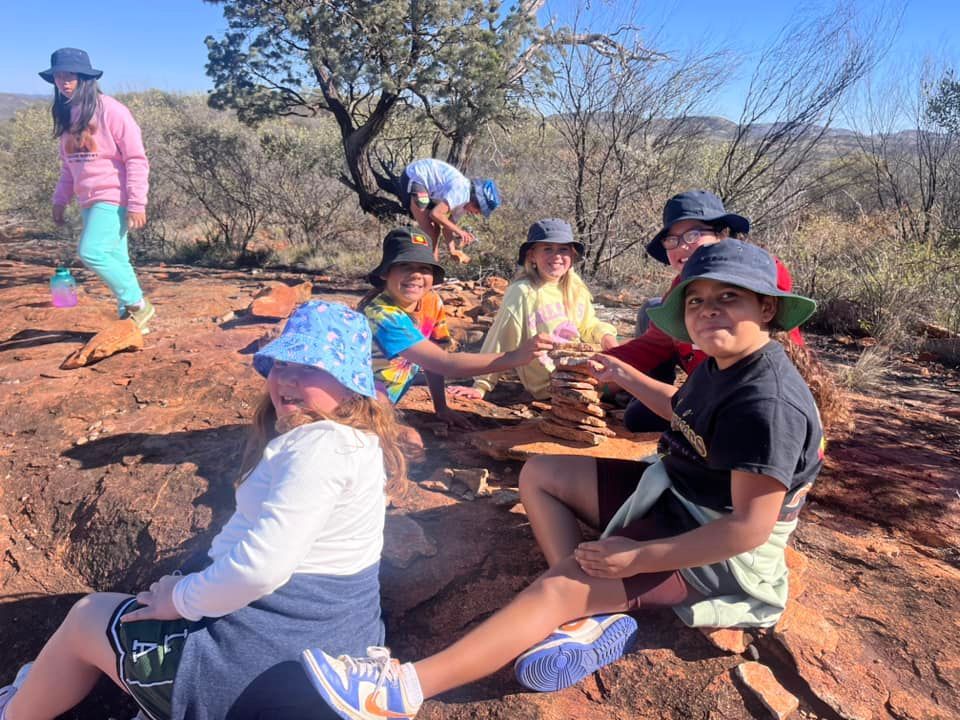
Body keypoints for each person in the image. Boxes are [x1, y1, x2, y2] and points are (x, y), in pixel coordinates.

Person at [298, 239, 832, 720]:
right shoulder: (724, 363)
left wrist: (637, 559)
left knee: (560, 584)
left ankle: (397, 693)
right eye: (696, 300)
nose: (709, 309)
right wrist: (624, 374)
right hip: (678, 494)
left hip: (719, 552)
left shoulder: (767, 405)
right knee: (542, 473)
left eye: (729, 297)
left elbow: (747, 530)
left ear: (767, 307)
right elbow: (687, 411)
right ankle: (585, 612)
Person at [0, 301, 406, 720]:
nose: (287, 376)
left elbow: (260, 570)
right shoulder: (358, 443)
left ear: (350, 381)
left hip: (264, 662)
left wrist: (180, 600)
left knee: (88, 617)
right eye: (282, 362)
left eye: (310, 365)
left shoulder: (317, 445)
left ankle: (15, 711)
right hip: (333, 648)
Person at [607, 190, 803, 432]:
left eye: (694, 234)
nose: (683, 246)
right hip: (705, 381)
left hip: (749, 386)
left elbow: (790, 347)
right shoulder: (680, 286)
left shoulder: (762, 273)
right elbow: (655, 343)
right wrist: (602, 364)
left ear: (722, 235)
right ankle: (651, 389)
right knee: (637, 416)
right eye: (672, 240)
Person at [359, 227, 553, 435]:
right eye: (404, 265)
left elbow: (434, 359)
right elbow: (445, 363)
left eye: (425, 268)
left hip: (385, 400)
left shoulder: (431, 301)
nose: (416, 274)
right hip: (360, 400)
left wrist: (441, 408)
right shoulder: (381, 314)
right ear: (386, 272)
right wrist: (516, 357)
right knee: (409, 445)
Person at [39, 48, 155, 333]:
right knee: (116, 258)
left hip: (113, 195)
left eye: (70, 75)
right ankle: (130, 322)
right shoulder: (67, 116)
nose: (64, 81)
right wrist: (59, 199)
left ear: (84, 78)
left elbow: (136, 158)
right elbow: (69, 166)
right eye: (58, 76)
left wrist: (138, 202)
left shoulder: (111, 109)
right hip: (88, 199)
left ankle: (139, 305)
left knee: (92, 251)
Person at [450, 218, 617, 401]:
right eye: (547, 249)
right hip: (550, 383)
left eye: (563, 249)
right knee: (630, 382)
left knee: (634, 365)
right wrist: (481, 385)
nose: (557, 256)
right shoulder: (523, 291)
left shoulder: (575, 286)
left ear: (572, 254)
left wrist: (606, 337)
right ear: (532, 255)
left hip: (580, 370)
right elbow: (501, 336)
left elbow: (588, 325)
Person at [398, 158, 500, 263]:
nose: (477, 214)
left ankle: (432, 267)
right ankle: (416, 263)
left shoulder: (463, 206)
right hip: (415, 176)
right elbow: (435, 214)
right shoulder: (462, 192)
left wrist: (452, 250)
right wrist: (460, 232)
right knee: (429, 229)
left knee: (435, 230)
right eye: (479, 210)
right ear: (475, 201)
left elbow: (447, 228)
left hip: (428, 189)